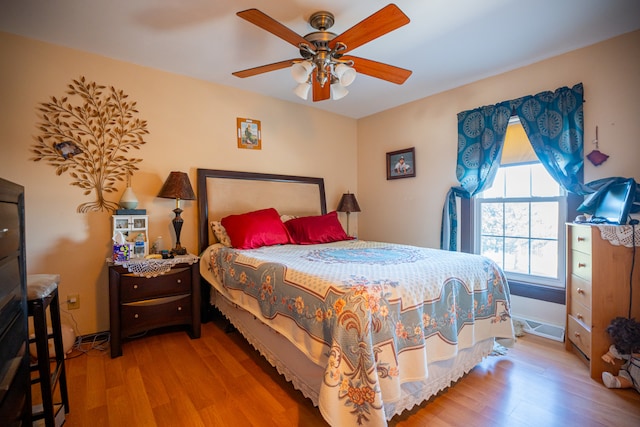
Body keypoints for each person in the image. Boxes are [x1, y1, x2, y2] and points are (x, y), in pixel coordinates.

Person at [601, 317, 640, 393]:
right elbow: (617, 350)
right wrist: (609, 355)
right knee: (625, 378)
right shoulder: (629, 350)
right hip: (631, 377)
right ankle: (614, 382)